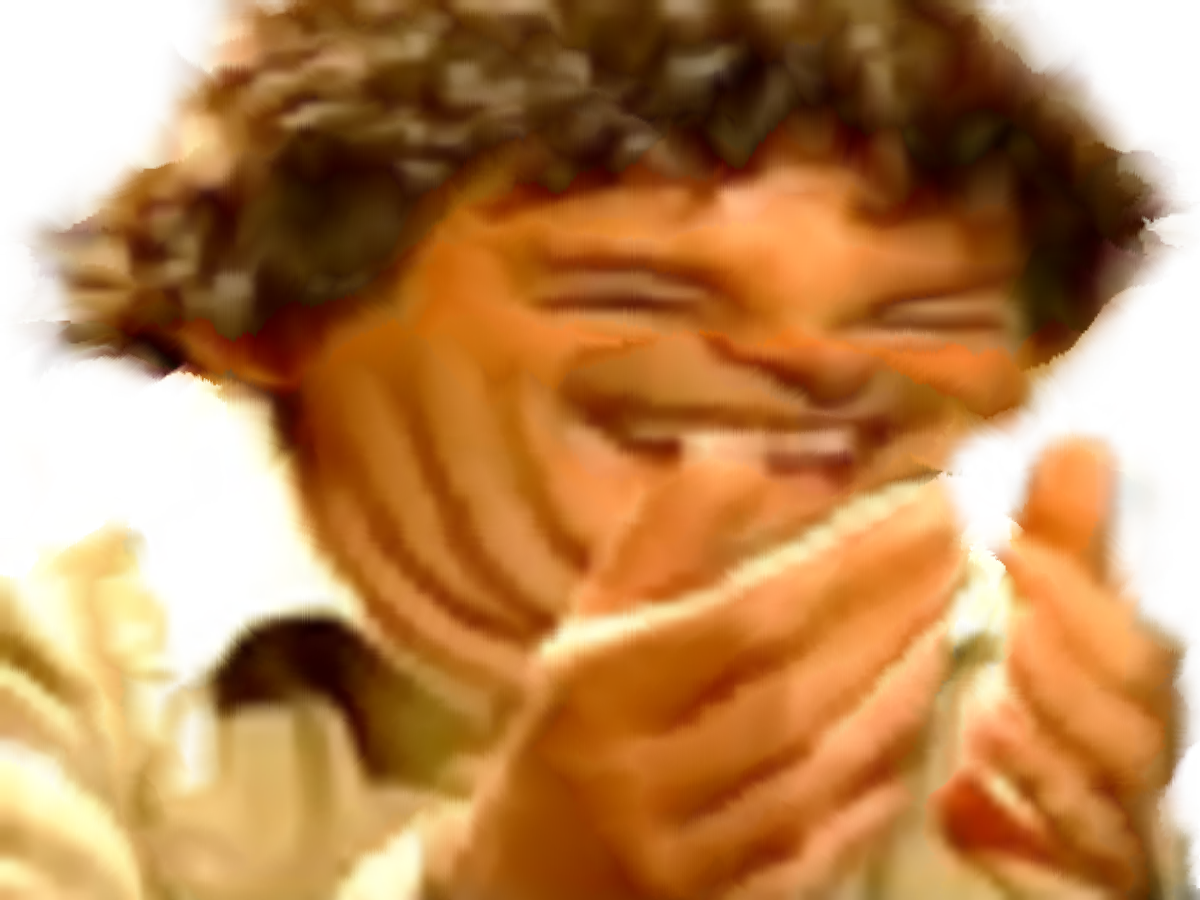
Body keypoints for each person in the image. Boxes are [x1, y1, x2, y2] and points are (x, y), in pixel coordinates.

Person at [1, 0, 1198, 897]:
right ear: (274, 312)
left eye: (916, 316)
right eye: (639, 292)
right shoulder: (50, 684)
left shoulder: (1012, 690)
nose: (814, 372)